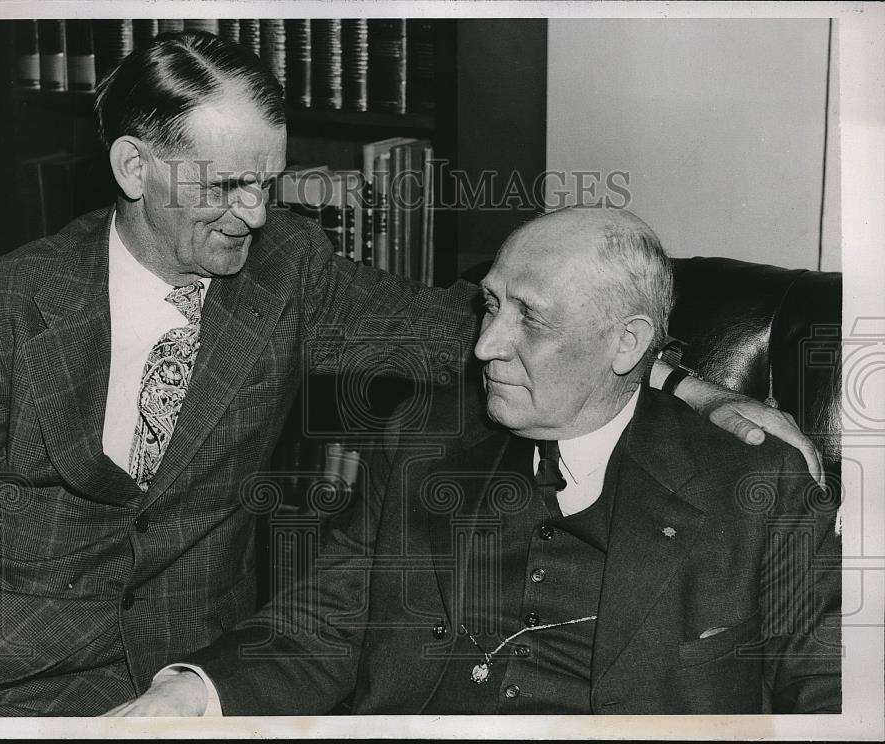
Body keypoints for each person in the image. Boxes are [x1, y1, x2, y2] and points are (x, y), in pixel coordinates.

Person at [0, 32, 823, 716]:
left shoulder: (286, 272)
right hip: (7, 686)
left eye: (267, 183)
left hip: (196, 678)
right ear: (133, 167)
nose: (256, 214)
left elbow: (459, 334)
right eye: (227, 186)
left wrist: (694, 385)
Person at [111, 207, 840, 716]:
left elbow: (832, 690)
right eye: (491, 305)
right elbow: (325, 621)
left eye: (531, 318)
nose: (487, 344)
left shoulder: (756, 486)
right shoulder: (421, 440)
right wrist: (193, 690)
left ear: (627, 343)